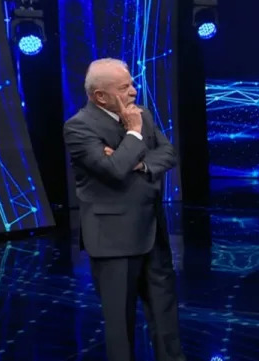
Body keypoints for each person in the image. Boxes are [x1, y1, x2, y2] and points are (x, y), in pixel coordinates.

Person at [63, 58, 186, 361]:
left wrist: (139, 164)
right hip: (113, 239)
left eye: (131, 84)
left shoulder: (142, 113)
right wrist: (133, 135)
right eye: (124, 87)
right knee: (120, 323)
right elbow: (115, 171)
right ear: (100, 96)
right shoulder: (79, 127)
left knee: (166, 315)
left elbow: (168, 153)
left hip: (152, 231)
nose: (133, 91)